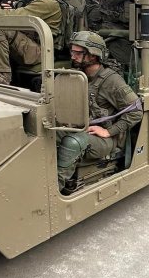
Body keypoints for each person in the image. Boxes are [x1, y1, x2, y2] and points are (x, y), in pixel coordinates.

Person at [56, 32, 142, 194]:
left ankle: (55, 190)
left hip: (104, 140)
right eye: (72, 52)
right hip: (79, 127)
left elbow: (136, 111)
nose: (73, 56)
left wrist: (109, 131)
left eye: (78, 53)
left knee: (73, 142)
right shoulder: (77, 75)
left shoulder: (112, 81)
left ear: (93, 55)